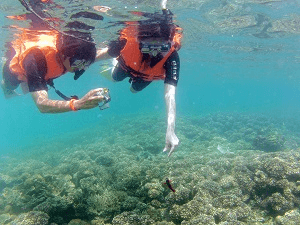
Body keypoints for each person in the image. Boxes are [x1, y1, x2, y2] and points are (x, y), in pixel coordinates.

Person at [98, 8, 183, 156]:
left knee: (134, 90)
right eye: (149, 47)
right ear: (141, 41)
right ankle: (115, 62)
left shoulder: (172, 57)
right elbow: (98, 55)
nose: (155, 53)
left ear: (168, 44)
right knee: (114, 77)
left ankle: (126, 73)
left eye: (162, 47)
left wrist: (171, 130)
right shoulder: (126, 42)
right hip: (127, 65)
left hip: (146, 76)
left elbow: (170, 95)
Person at [1, 8, 109, 113]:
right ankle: (5, 82)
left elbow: (100, 55)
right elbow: (41, 104)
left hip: (41, 71)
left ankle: (28, 84)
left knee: (29, 88)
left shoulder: (77, 57)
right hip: (16, 72)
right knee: (10, 86)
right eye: (78, 63)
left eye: (86, 63)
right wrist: (77, 104)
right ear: (63, 54)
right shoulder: (36, 58)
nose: (81, 67)